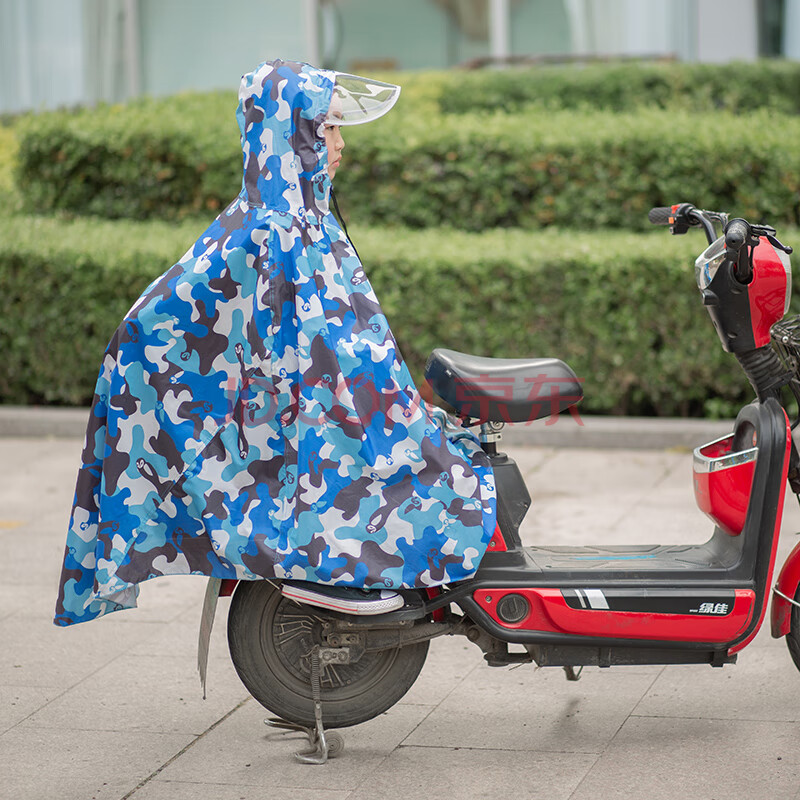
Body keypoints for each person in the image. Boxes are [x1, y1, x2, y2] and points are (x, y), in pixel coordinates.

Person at [54, 59, 496, 626]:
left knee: (443, 457)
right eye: (328, 128)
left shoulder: (291, 218)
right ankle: (330, 561)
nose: (339, 144)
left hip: (318, 407)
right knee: (441, 483)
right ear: (294, 134)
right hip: (308, 417)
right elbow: (300, 349)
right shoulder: (279, 229)